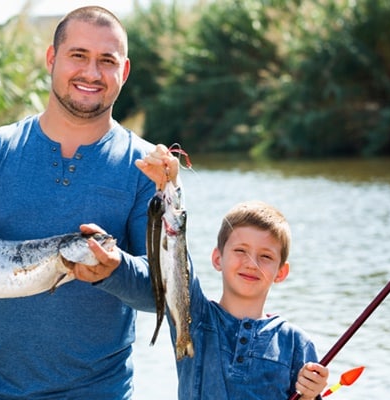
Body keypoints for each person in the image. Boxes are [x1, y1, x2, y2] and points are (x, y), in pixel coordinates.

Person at [0, 6, 160, 400]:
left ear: (124, 72)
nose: (91, 72)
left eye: (107, 60)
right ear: (52, 59)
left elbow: (167, 293)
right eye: (78, 55)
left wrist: (113, 270)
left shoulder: (150, 170)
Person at [136, 146, 330, 399]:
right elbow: (176, 257)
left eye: (266, 256)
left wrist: (310, 393)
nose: (252, 263)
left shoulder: (296, 343)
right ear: (217, 258)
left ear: (281, 273)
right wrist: (172, 184)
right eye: (241, 250)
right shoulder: (196, 316)